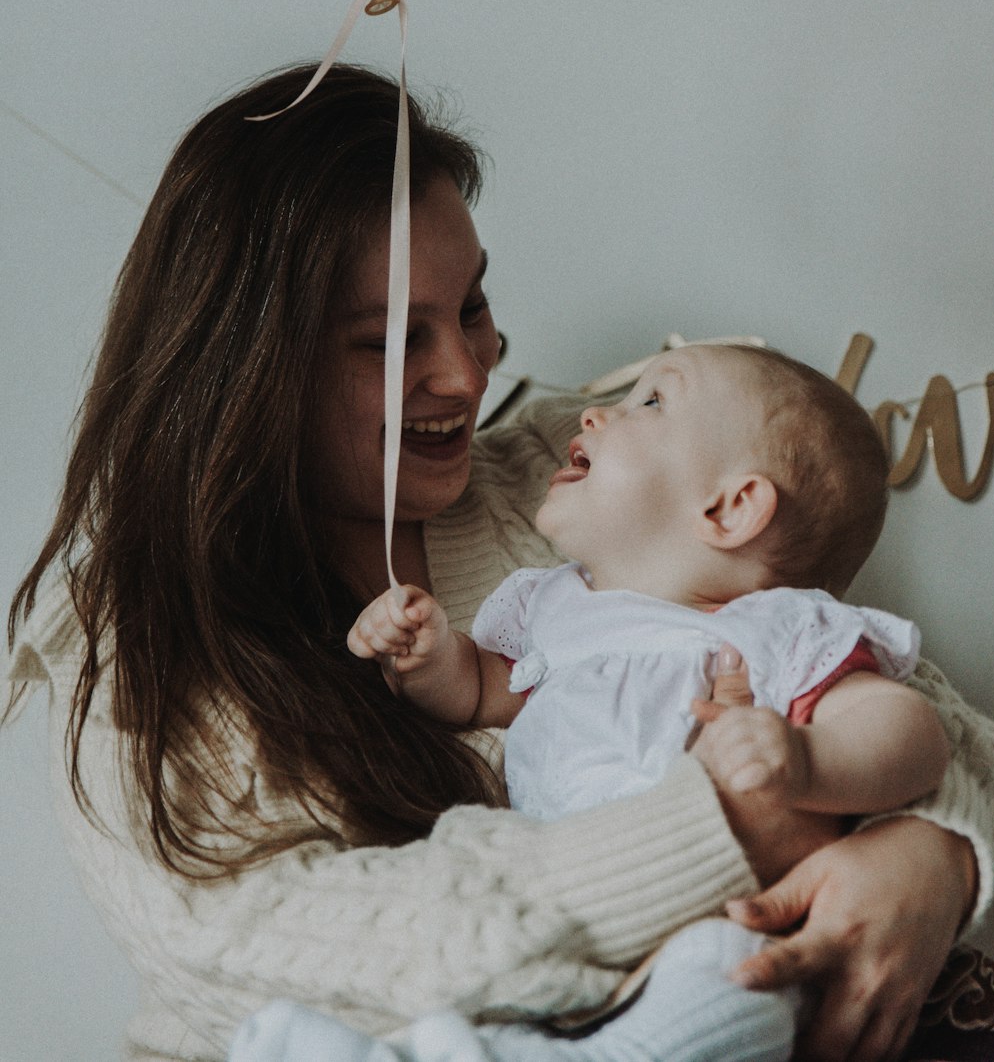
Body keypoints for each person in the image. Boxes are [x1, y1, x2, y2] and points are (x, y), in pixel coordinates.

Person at [4, 63, 994, 1062]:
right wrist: (730, 837)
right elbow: (255, 955)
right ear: (251, 365)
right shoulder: (134, 634)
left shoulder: (588, 481)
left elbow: (927, 721)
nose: (467, 372)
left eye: (471, 307)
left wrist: (929, 856)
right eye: (392, 340)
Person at [309, 344, 950, 1061]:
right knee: (475, 955)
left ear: (730, 507)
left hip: (712, 923)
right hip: (564, 911)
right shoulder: (553, 605)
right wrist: (427, 659)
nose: (592, 411)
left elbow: (910, 729)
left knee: (736, 983)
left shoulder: (774, 629)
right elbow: (485, 693)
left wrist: (806, 758)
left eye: (650, 402)